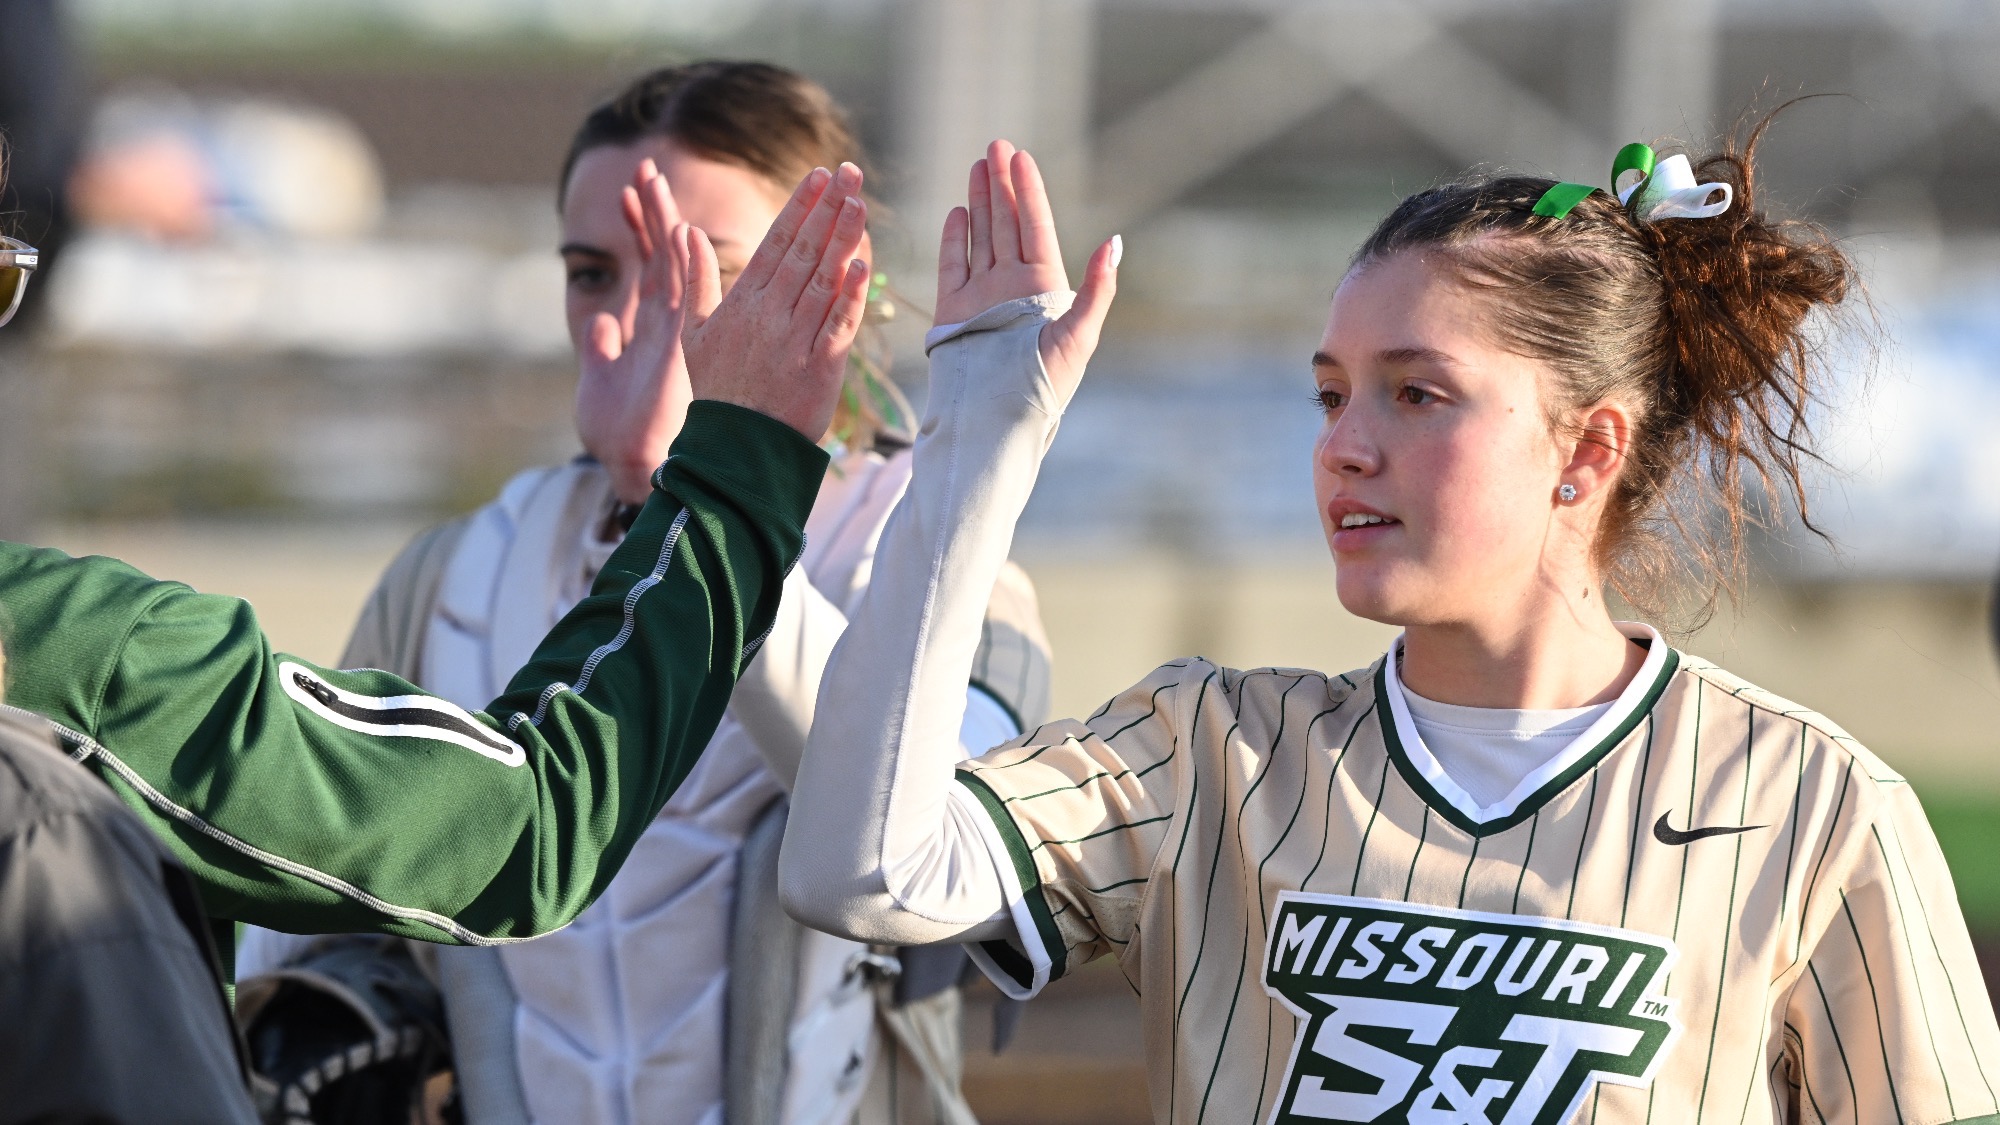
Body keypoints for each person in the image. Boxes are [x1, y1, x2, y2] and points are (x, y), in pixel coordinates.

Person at [780, 130, 2000, 1124]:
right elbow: (861, 872)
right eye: (1328, 394)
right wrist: (976, 444)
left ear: (1586, 449)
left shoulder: (1813, 806)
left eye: (1416, 394)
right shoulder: (1205, 747)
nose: (1342, 446)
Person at [241, 61, 1054, 1125]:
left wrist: (705, 484)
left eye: (703, 275)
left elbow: (936, 885)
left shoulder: (952, 558)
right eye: (591, 272)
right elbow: (310, 890)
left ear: (835, 280)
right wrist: (339, 1005)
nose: (635, 322)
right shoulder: (453, 582)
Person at [0, 154, 868, 989]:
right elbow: (526, 826)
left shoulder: (881, 542)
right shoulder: (66, 648)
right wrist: (737, 453)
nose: (637, 321)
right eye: (590, 273)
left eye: (729, 273)